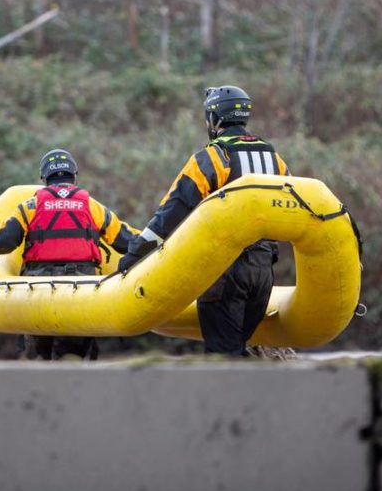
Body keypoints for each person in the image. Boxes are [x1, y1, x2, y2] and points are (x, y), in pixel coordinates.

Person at [117, 86, 289, 357]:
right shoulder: (274, 159)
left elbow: (172, 212)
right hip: (263, 270)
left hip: (226, 270)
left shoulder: (213, 157)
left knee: (223, 355)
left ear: (214, 118)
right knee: (238, 348)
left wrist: (136, 254)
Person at [0, 149, 136, 360]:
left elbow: (5, 240)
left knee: (40, 360)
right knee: (73, 358)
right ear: (73, 174)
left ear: (44, 177)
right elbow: (125, 240)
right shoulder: (91, 206)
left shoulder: (32, 205)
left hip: (39, 290)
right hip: (81, 290)